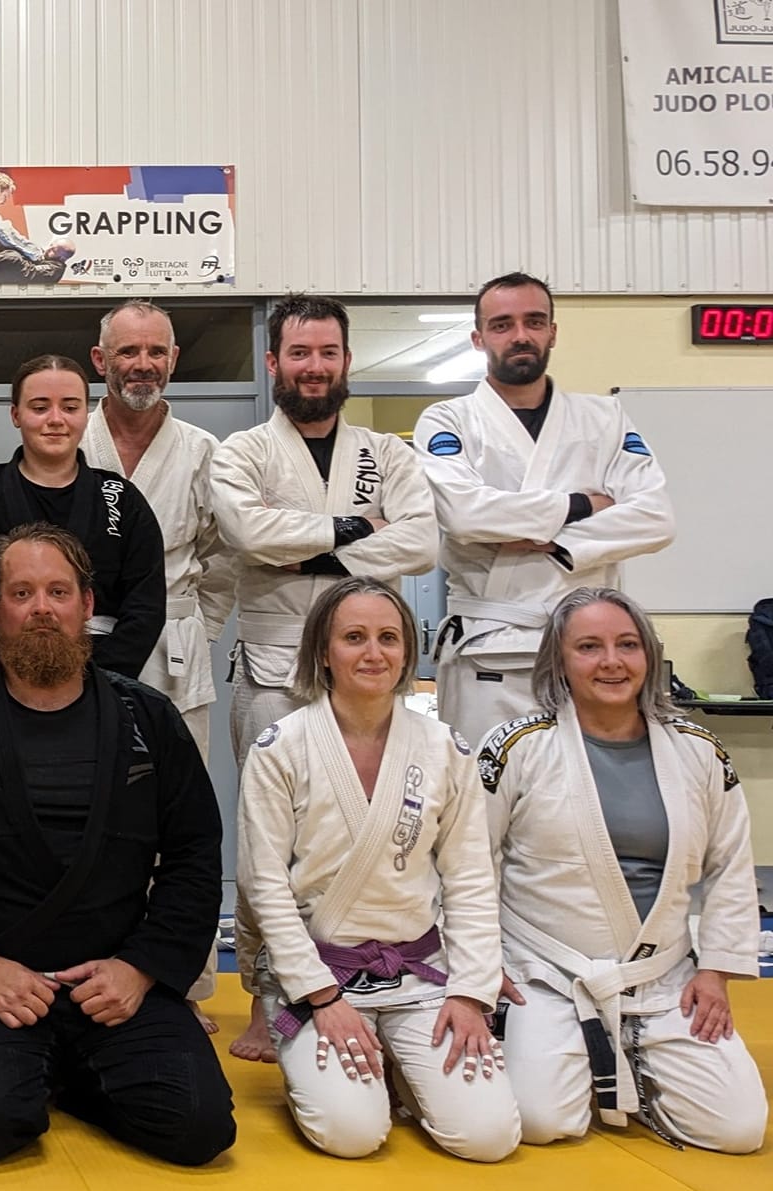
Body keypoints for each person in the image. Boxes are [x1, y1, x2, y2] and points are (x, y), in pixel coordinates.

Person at [0, 524, 234, 1167]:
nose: (41, 608)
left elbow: (194, 854)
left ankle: (60, 1073)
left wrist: (142, 969)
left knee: (200, 1127)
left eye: (58, 591)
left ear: (87, 605)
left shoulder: (148, 717)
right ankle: (38, 1069)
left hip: (115, 980)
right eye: (21, 593)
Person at [212, 294, 439, 1062]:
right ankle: (262, 999)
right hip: (275, 667)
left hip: (371, 667)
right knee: (268, 845)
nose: (314, 367)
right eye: (300, 353)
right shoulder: (243, 452)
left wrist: (300, 546)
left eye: (328, 352)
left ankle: (374, 983)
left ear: (346, 360)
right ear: (273, 361)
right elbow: (247, 532)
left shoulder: (387, 454)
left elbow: (419, 543)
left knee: (370, 828)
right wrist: (357, 529)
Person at [237, 577, 519, 1162]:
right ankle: (332, 1067)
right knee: (352, 1134)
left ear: (407, 651)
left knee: (488, 1137)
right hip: (321, 975)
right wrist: (320, 996)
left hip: (420, 974)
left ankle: (402, 1065)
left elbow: (471, 879)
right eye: (354, 638)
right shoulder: (280, 747)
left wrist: (472, 992)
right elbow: (263, 885)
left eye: (388, 638)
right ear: (323, 652)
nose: (374, 653)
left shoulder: (445, 748)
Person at [481, 587, 765, 1154]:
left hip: (662, 975)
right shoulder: (516, 746)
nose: (611, 661)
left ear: (649, 655)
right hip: (545, 972)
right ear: (559, 659)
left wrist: (716, 970)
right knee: (540, 1121)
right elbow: (469, 864)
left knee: (737, 1130)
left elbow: (731, 866)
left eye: (627, 645)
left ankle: (625, 1056)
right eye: (589, 646)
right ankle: (566, 1047)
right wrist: (481, 966)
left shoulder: (699, 749)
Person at [415, 274, 675, 752]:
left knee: (592, 785)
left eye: (534, 322)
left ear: (552, 332)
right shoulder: (448, 420)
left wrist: (557, 543)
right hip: (490, 644)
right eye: (502, 325)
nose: (520, 335)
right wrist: (582, 505)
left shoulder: (604, 418)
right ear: (478, 338)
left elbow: (655, 518)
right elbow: (465, 515)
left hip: (591, 646)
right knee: (485, 788)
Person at [0, 355, 166, 680]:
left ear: (86, 413)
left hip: (100, 674)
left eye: (70, 407)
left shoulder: (120, 498)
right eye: (40, 407)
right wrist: (9, 673)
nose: (56, 419)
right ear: (16, 414)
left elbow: (146, 604)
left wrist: (93, 680)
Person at [84, 300, 234, 763]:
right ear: (100, 360)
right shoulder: (74, 440)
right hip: (86, 639)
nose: (144, 364)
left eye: (156, 351)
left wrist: (200, 629)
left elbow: (224, 556)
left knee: (176, 783)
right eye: (128, 351)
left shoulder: (202, 450)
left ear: (173, 358)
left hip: (174, 645)